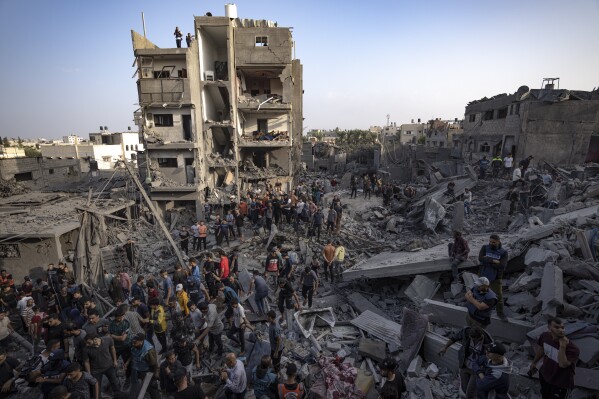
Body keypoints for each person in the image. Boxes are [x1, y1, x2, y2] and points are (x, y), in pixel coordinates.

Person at [528, 317, 580, 399]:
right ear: (549, 327)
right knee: (545, 395)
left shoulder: (573, 349)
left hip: (560, 383)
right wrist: (534, 362)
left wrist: (562, 346)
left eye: (562, 327)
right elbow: (542, 349)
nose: (560, 330)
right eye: (556, 327)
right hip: (545, 376)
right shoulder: (545, 336)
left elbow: (562, 364)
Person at [439, 326, 493, 398]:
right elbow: (454, 338)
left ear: (480, 337)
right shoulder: (466, 332)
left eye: (474, 339)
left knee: (469, 394)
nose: (472, 340)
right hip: (464, 366)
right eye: (470, 338)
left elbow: (492, 357)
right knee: (465, 389)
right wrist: (445, 347)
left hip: (476, 370)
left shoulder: (488, 342)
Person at [478, 234, 508, 320]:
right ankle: (481, 310)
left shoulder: (503, 252)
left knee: (498, 296)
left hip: (496, 278)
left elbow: (502, 265)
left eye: (494, 242)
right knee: (481, 294)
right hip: (483, 276)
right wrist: (493, 261)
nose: (491, 243)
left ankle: (500, 313)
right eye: (490, 242)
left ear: (498, 242)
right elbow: (480, 258)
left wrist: (487, 262)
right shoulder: (484, 247)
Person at [130, 333, 160, 399]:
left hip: (145, 371)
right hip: (136, 368)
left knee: (151, 387)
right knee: (135, 384)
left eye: (135, 342)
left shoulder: (148, 351)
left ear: (141, 341)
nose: (133, 344)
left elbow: (154, 364)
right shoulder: (135, 345)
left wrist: (155, 374)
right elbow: (133, 354)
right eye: (133, 342)